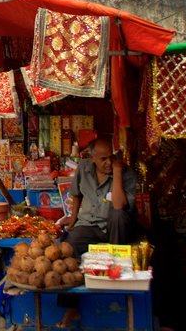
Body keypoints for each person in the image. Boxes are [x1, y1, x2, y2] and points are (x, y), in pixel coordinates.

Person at [58, 136, 137, 328]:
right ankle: (71, 307)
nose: (108, 162)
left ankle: (117, 284)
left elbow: (119, 204)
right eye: (103, 159)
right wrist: (73, 217)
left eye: (111, 157)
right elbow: (76, 194)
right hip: (89, 224)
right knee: (68, 246)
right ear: (91, 157)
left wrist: (117, 173)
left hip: (116, 229)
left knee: (117, 215)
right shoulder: (84, 168)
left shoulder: (126, 174)